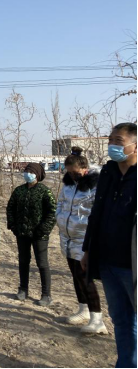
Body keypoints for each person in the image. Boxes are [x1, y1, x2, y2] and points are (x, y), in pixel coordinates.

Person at [82, 123, 137, 369]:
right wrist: (87, 249)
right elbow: (96, 213)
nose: (112, 145)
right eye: (111, 140)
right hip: (107, 261)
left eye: (118, 140)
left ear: (135, 146)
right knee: (120, 319)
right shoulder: (108, 172)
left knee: (134, 322)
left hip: (133, 264)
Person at [56, 147, 108, 335]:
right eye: (68, 172)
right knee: (75, 275)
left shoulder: (97, 184)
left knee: (85, 276)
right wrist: (60, 218)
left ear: (84, 169)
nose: (72, 176)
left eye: (75, 172)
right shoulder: (69, 184)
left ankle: (97, 318)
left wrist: (89, 230)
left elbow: (98, 212)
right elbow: (61, 202)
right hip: (67, 236)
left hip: (85, 237)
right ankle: (83, 309)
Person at [6, 163, 56, 306]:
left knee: (42, 263)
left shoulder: (44, 191)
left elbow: (52, 212)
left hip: (39, 234)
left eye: (31, 171)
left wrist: (43, 229)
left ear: (38, 175)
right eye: (26, 170)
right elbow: (10, 208)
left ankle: (46, 294)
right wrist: (13, 225)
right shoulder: (19, 191)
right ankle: (23, 289)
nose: (27, 173)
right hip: (22, 232)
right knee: (23, 261)